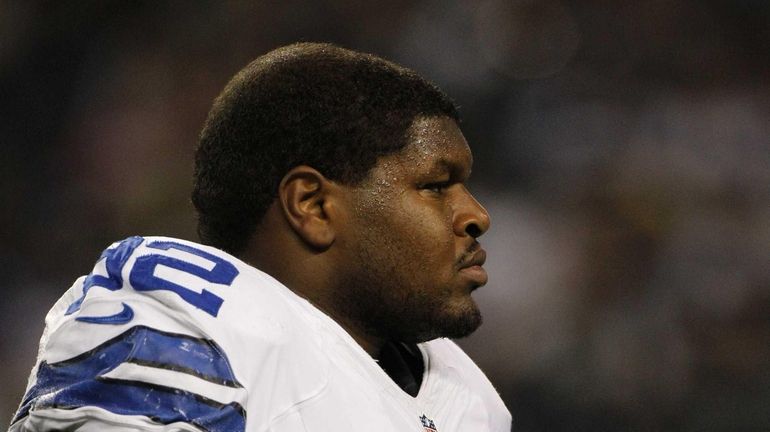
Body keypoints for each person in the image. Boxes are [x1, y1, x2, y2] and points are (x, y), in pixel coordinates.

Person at [10, 42, 511, 432]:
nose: (476, 214)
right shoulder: (187, 327)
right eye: (435, 186)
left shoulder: (467, 395)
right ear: (312, 206)